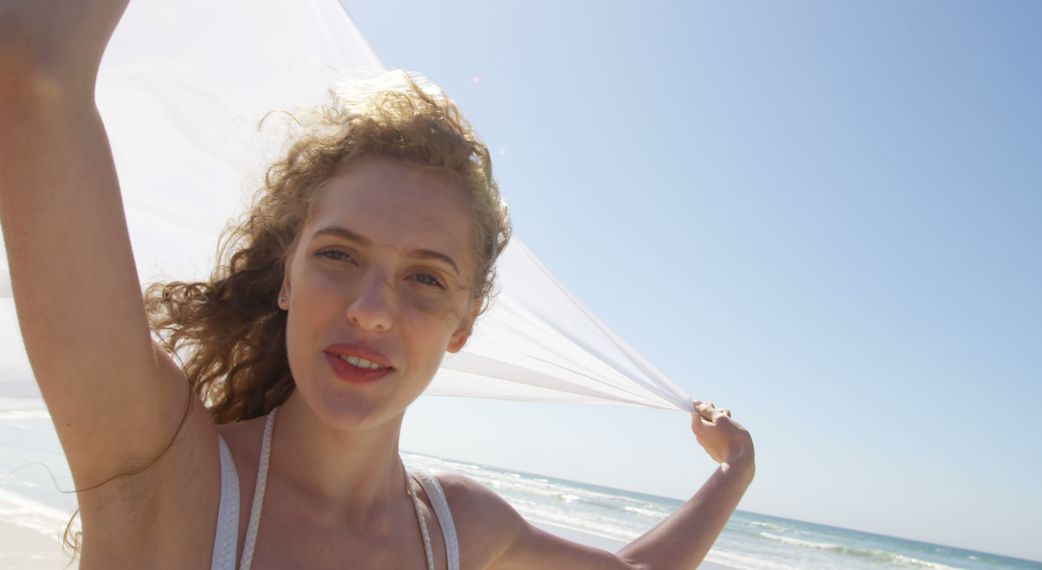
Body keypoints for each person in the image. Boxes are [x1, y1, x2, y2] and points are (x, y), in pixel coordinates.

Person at [0, 1, 755, 568]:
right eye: (337, 255)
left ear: (464, 323)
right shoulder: (167, 478)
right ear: (286, 275)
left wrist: (734, 470)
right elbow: (33, 76)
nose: (370, 312)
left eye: (426, 278)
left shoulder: (458, 529)